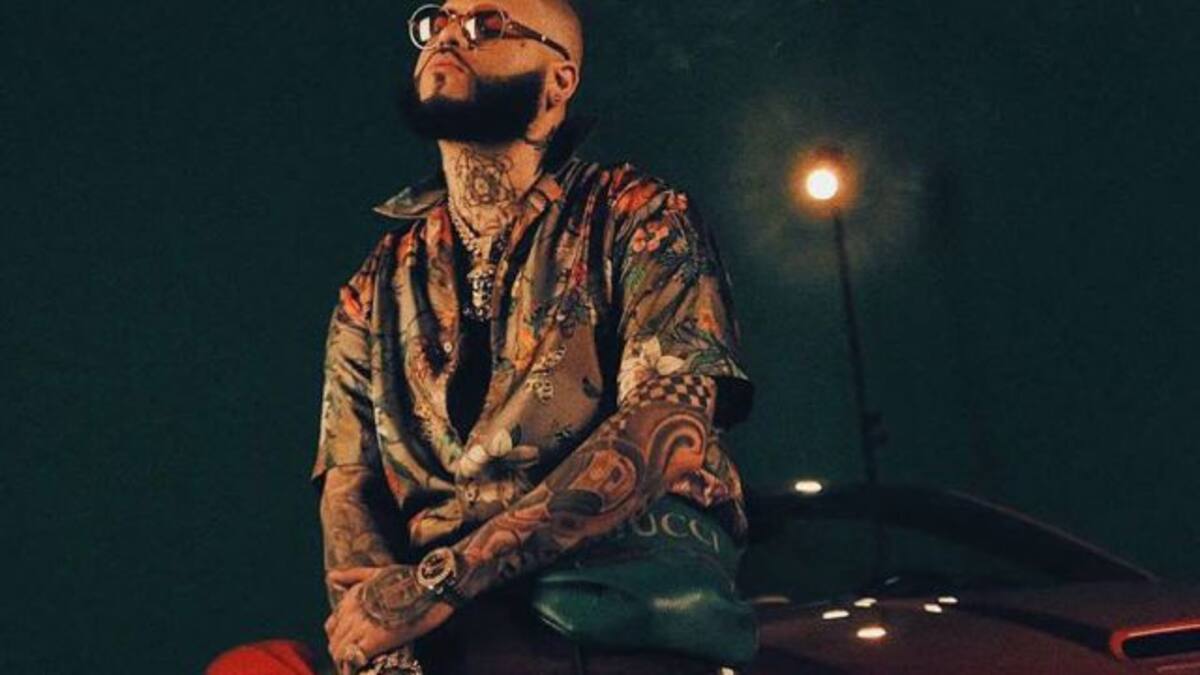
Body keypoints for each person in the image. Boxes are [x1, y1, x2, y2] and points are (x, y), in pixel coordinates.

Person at [312, 1, 754, 672]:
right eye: (437, 21)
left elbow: (671, 424)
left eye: (486, 24)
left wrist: (445, 579)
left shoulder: (638, 215)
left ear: (558, 83)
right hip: (454, 626)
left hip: (615, 601)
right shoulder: (371, 287)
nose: (449, 35)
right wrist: (379, 634)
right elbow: (350, 483)